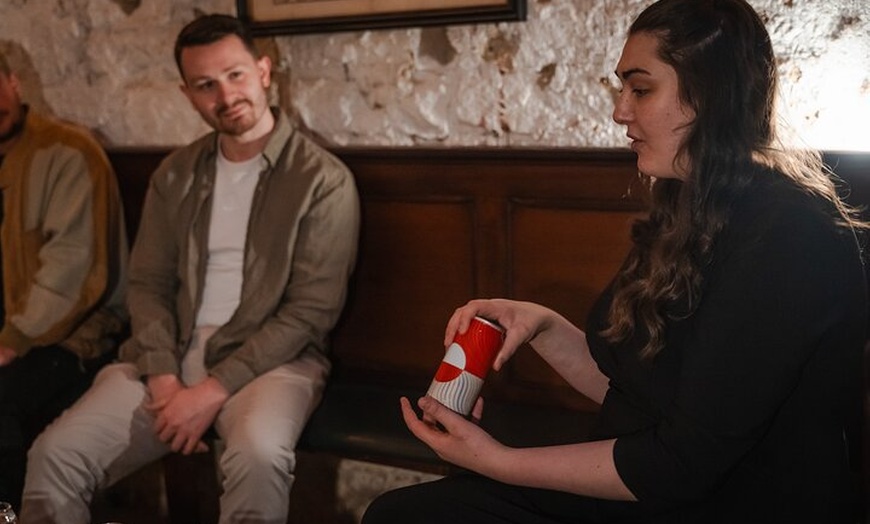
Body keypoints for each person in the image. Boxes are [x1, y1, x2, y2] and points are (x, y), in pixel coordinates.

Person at [362, 0, 867, 523]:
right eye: (621, 88)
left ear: (711, 94)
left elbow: (681, 462)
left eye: (641, 89)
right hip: (648, 488)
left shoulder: (789, 236)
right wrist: (542, 326)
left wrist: (497, 461)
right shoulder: (686, 205)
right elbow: (643, 393)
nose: (619, 110)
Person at [20, 13, 360, 524]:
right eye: (206, 85)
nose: (225, 96)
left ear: (264, 71)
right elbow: (149, 283)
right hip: (169, 354)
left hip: (273, 361)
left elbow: (309, 314)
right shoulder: (175, 173)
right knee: (55, 456)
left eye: (235, 75)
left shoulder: (323, 181)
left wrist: (209, 391)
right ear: (187, 93)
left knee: (260, 457)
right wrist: (163, 380)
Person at [0, 51, 128, 512]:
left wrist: (11, 340)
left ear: (14, 83)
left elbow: (72, 272)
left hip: (74, 340)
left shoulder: (68, 152)